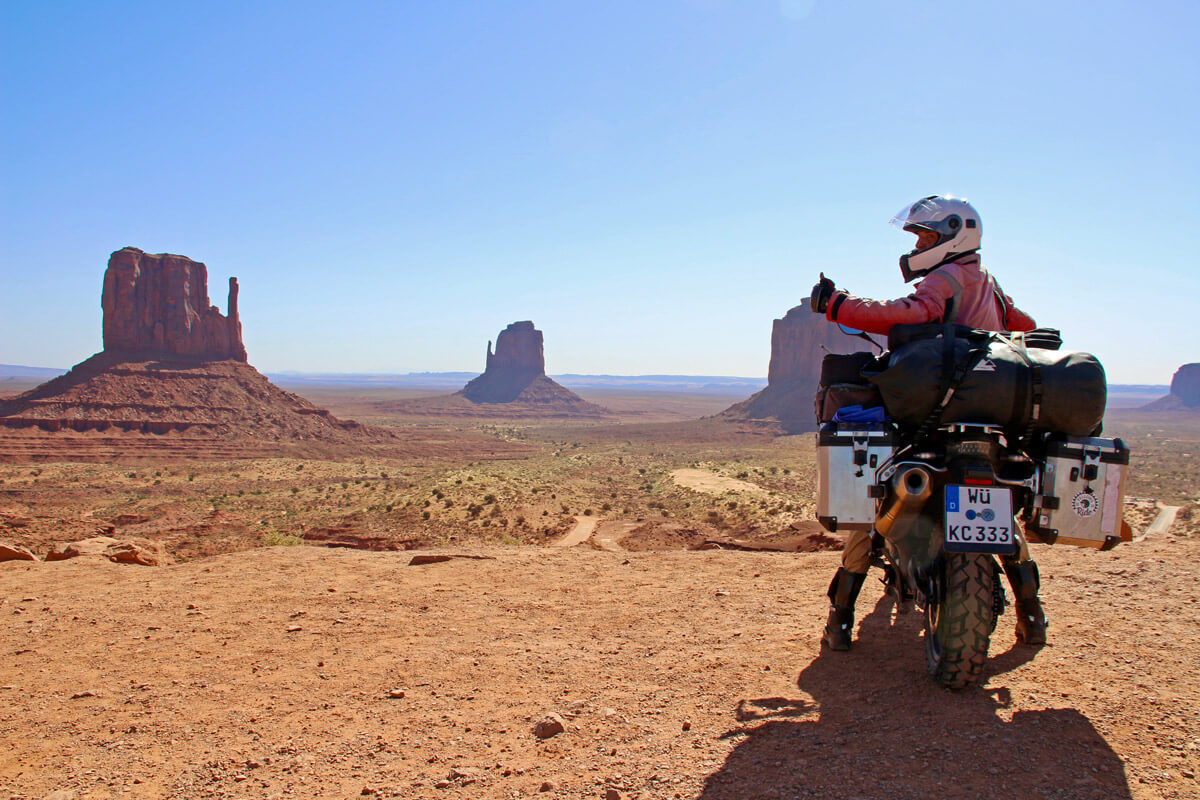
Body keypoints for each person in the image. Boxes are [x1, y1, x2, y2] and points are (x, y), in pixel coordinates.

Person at [810, 194, 1047, 651]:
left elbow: (909, 312)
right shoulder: (987, 283)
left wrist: (839, 304)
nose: (918, 243)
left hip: (935, 420)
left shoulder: (946, 277)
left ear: (953, 235)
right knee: (999, 515)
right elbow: (1027, 326)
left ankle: (840, 619)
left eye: (925, 235)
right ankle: (1032, 614)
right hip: (988, 426)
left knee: (873, 513)